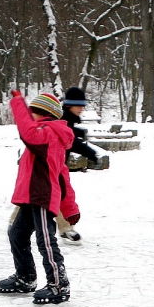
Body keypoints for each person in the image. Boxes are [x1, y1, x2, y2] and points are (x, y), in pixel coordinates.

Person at [0, 91, 80, 305]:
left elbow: (27, 133)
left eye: (32, 112)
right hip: (30, 198)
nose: (29, 116)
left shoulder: (48, 133)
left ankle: (58, 285)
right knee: (16, 233)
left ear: (41, 114)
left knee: (46, 241)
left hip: (42, 197)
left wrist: (18, 104)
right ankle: (26, 277)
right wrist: (70, 206)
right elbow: (63, 175)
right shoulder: (44, 135)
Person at [57, 86, 99, 245]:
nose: (82, 108)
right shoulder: (64, 119)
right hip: (52, 165)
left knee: (51, 196)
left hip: (58, 165)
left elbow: (71, 135)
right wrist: (90, 152)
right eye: (79, 105)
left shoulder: (67, 118)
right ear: (69, 105)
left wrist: (79, 133)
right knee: (56, 196)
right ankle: (66, 229)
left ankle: (66, 228)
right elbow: (71, 141)